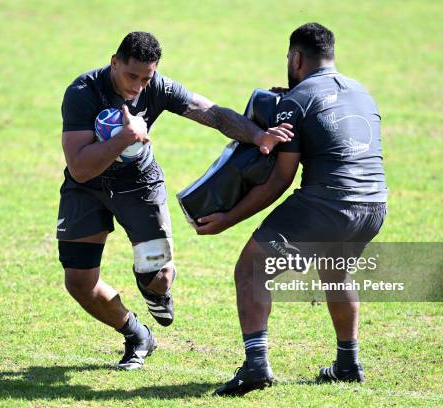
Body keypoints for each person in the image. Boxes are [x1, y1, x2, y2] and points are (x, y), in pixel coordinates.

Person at [57, 31, 294, 371]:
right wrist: (127, 135)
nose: (138, 86)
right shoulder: (83, 93)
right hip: (87, 189)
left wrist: (258, 135)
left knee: (161, 275)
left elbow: (211, 113)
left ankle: (150, 284)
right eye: (131, 75)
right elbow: (79, 169)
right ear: (114, 62)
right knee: (79, 282)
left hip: (138, 184)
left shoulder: (157, 88)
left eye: (146, 78)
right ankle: (136, 333)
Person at [194, 23, 388, 395]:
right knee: (337, 272)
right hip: (374, 206)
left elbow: (280, 180)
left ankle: (255, 366)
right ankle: (347, 363)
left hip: (327, 206)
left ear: (296, 58)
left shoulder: (296, 101)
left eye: (288, 58)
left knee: (251, 268)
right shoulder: (362, 93)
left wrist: (227, 220)